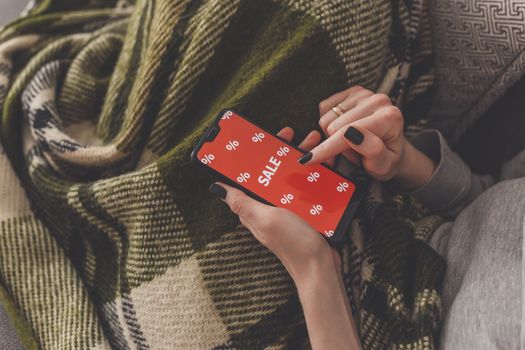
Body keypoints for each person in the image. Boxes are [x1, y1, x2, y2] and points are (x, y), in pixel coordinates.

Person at [208, 86, 523, 349]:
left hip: (346, 308)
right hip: (391, 204)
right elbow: (489, 204)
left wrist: (314, 269)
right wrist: (400, 160)